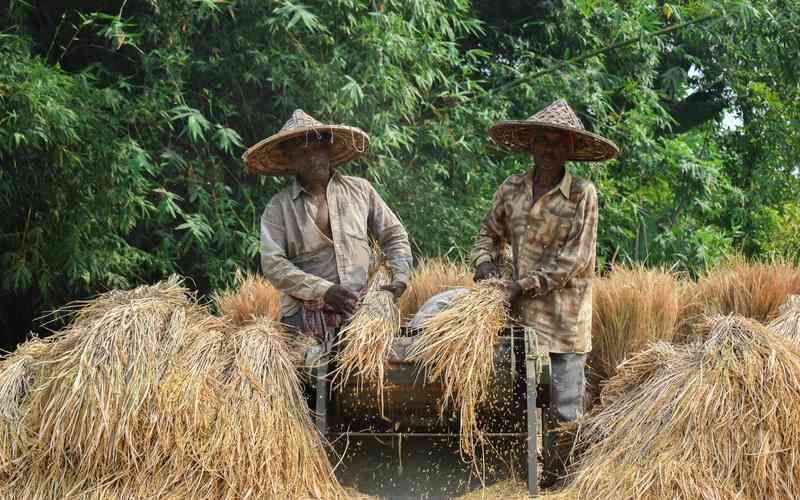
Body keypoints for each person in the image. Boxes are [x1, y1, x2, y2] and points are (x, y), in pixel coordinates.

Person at [469, 99, 618, 485]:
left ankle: (563, 485)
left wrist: (522, 285)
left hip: (564, 324)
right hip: (518, 323)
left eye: (558, 142)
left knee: (565, 412)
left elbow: (576, 260)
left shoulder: (582, 194)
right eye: (542, 141)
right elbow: (487, 234)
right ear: (530, 144)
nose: (549, 149)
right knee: (518, 404)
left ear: (570, 149)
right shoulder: (512, 188)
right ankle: (520, 483)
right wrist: (486, 265)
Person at [242, 109, 412, 339]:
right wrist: (324, 291)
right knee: (309, 366)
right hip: (303, 315)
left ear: (328, 149)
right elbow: (273, 264)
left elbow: (394, 235)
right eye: (301, 152)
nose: (312, 157)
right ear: (290, 160)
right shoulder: (278, 207)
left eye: (316, 147)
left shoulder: (360, 190)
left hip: (360, 309)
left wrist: (400, 277)